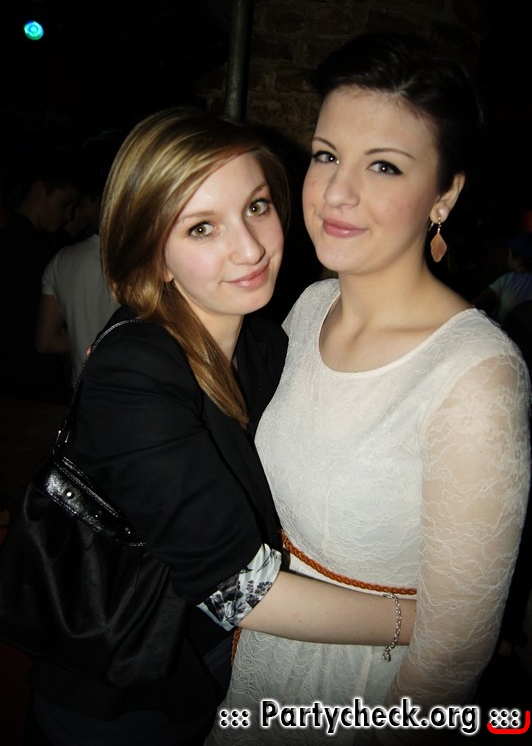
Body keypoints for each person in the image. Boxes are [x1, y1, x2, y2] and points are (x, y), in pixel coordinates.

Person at [26, 107, 416, 746]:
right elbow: (241, 591)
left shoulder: (265, 345)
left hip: (214, 661)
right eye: (202, 227)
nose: (250, 247)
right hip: (121, 692)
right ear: (156, 256)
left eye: (256, 207)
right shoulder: (135, 368)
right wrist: (424, 622)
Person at [211, 33, 531, 744]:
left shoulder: (476, 376)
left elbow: (453, 654)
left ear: (445, 195)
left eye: (383, 166)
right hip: (261, 668)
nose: (336, 192)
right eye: (326, 155)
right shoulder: (308, 308)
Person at [34, 133, 123, 386]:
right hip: (138, 395)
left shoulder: (62, 260)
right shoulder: (153, 259)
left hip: (84, 395)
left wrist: (87, 334)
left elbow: (45, 341)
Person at [0, 152, 79, 399]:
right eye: (64, 203)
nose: (68, 215)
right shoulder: (37, 249)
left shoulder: (13, 238)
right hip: (32, 380)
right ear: (39, 190)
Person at [473, 230, 532, 326]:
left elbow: (476, 304)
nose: (506, 258)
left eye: (509, 254)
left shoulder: (509, 279)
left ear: (519, 260)